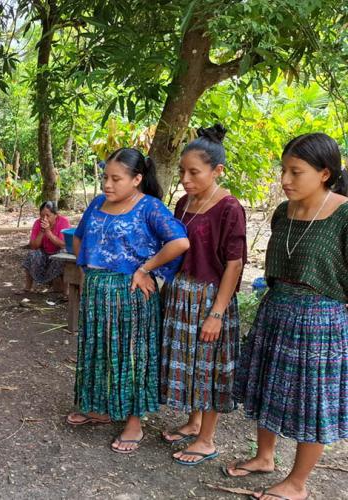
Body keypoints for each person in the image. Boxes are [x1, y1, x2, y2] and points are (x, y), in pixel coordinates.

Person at [229, 133, 348, 500]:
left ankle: (297, 483)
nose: (285, 180)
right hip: (276, 309)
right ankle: (264, 457)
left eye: (296, 172)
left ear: (324, 173)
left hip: (320, 322)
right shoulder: (283, 212)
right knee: (267, 386)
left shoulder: (344, 215)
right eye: (284, 170)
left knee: (312, 403)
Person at [66, 148, 189, 454]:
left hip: (131, 294)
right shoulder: (98, 204)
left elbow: (179, 241)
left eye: (116, 179)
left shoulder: (150, 207)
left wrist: (146, 269)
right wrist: (87, 269)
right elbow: (79, 237)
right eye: (105, 177)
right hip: (97, 291)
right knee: (99, 351)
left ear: (136, 179)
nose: (107, 184)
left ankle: (134, 422)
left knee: (131, 357)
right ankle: (102, 408)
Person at [158, 125, 247, 466]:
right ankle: (194, 423)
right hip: (181, 294)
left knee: (210, 368)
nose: (185, 179)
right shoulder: (184, 203)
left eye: (194, 172)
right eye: (183, 171)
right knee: (192, 364)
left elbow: (234, 264)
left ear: (217, 170)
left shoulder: (229, 208)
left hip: (210, 298)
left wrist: (217, 313)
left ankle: (207, 439)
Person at [19, 200, 71, 294]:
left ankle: (66, 292)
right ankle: (28, 287)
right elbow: (34, 246)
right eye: (42, 216)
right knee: (32, 255)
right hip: (44, 253)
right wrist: (42, 232)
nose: (44, 219)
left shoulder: (63, 222)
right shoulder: (37, 223)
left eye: (48, 216)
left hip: (58, 252)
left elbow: (63, 244)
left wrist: (48, 232)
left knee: (63, 256)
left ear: (55, 215)